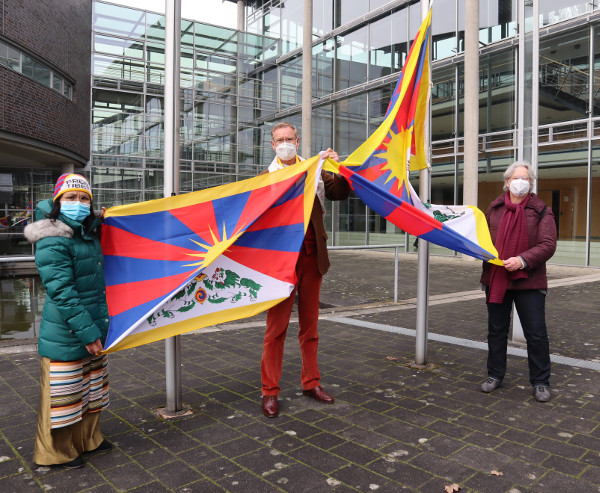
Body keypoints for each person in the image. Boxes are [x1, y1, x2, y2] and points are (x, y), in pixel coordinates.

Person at [260, 122, 350, 418]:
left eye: (289, 139)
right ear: (272, 145)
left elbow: (339, 192)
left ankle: (311, 383)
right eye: (279, 140)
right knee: (277, 328)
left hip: (312, 255)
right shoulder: (264, 179)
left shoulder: (316, 169)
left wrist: (340, 167)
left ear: (297, 141)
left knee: (310, 326)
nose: (285, 143)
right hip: (280, 261)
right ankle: (269, 391)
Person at [24, 173, 112, 469]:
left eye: (84, 198)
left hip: (93, 327)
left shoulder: (89, 232)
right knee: (63, 396)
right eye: (71, 198)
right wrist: (87, 332)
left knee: (90, 389)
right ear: (58, 202)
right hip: (68, 331)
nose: (78, 203)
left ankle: (88, 440)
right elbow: (61, 291)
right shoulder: (53, 237)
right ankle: (56, 453)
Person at [479, 161, 557, 402]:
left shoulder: (542, 210)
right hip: (497, 278)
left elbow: (547, 244)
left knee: (536, 334)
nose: (521, 182)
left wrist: (522, 260)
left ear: (531, 183)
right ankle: (495, 375)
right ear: (507, 181)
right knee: (496, 331)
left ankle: (541, 381)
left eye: (526, 178)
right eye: (516, 178)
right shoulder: (494, 208)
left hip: (529, 280)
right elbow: (483, 239)